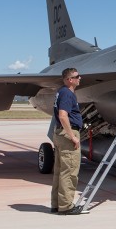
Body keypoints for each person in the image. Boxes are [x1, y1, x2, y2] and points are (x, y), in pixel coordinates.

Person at [51, 68, 84, 215]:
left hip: (59, 133)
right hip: (67, 134)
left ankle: (57, 204)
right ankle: (66, 206)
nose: (80, 78)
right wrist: (72, 136)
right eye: (77, 76)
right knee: (69, 171)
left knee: (60, 171)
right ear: (70, 79)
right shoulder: (67, 93)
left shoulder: (62, 92)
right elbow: (63, 116)